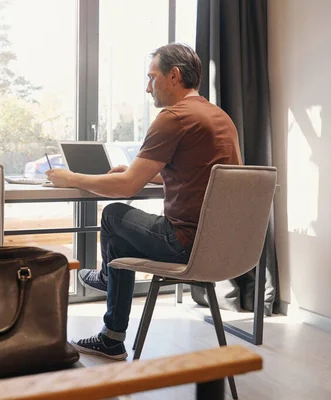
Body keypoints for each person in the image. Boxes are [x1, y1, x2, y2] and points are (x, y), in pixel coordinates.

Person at [46, 43, 242, 360]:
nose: (147, 87)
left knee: (112, 215)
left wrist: (72, 178)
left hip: (183, 242)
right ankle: (112, 338)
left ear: (174, 76)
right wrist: (143, 173)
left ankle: (107, 277)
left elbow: (125, 187)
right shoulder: (219, 117)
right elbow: (198, 177)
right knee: (120, 249)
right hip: (222, 245)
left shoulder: (174, 117)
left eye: (152, 77)